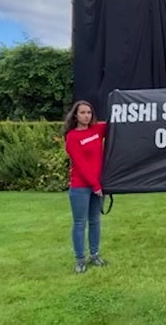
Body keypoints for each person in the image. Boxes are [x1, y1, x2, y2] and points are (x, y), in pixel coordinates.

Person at [63, 100, 108, 273]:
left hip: (97, 185)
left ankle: (95, 255)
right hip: (80, 187)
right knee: (80, 223)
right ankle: (80, 259)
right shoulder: (72, 137)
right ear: (75, 115)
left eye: (89, 112)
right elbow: (81, 165)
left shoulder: (96, 130)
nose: (86, 116)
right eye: (82, 112)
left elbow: (116, 124)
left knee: (95, 221)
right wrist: (95, 185)